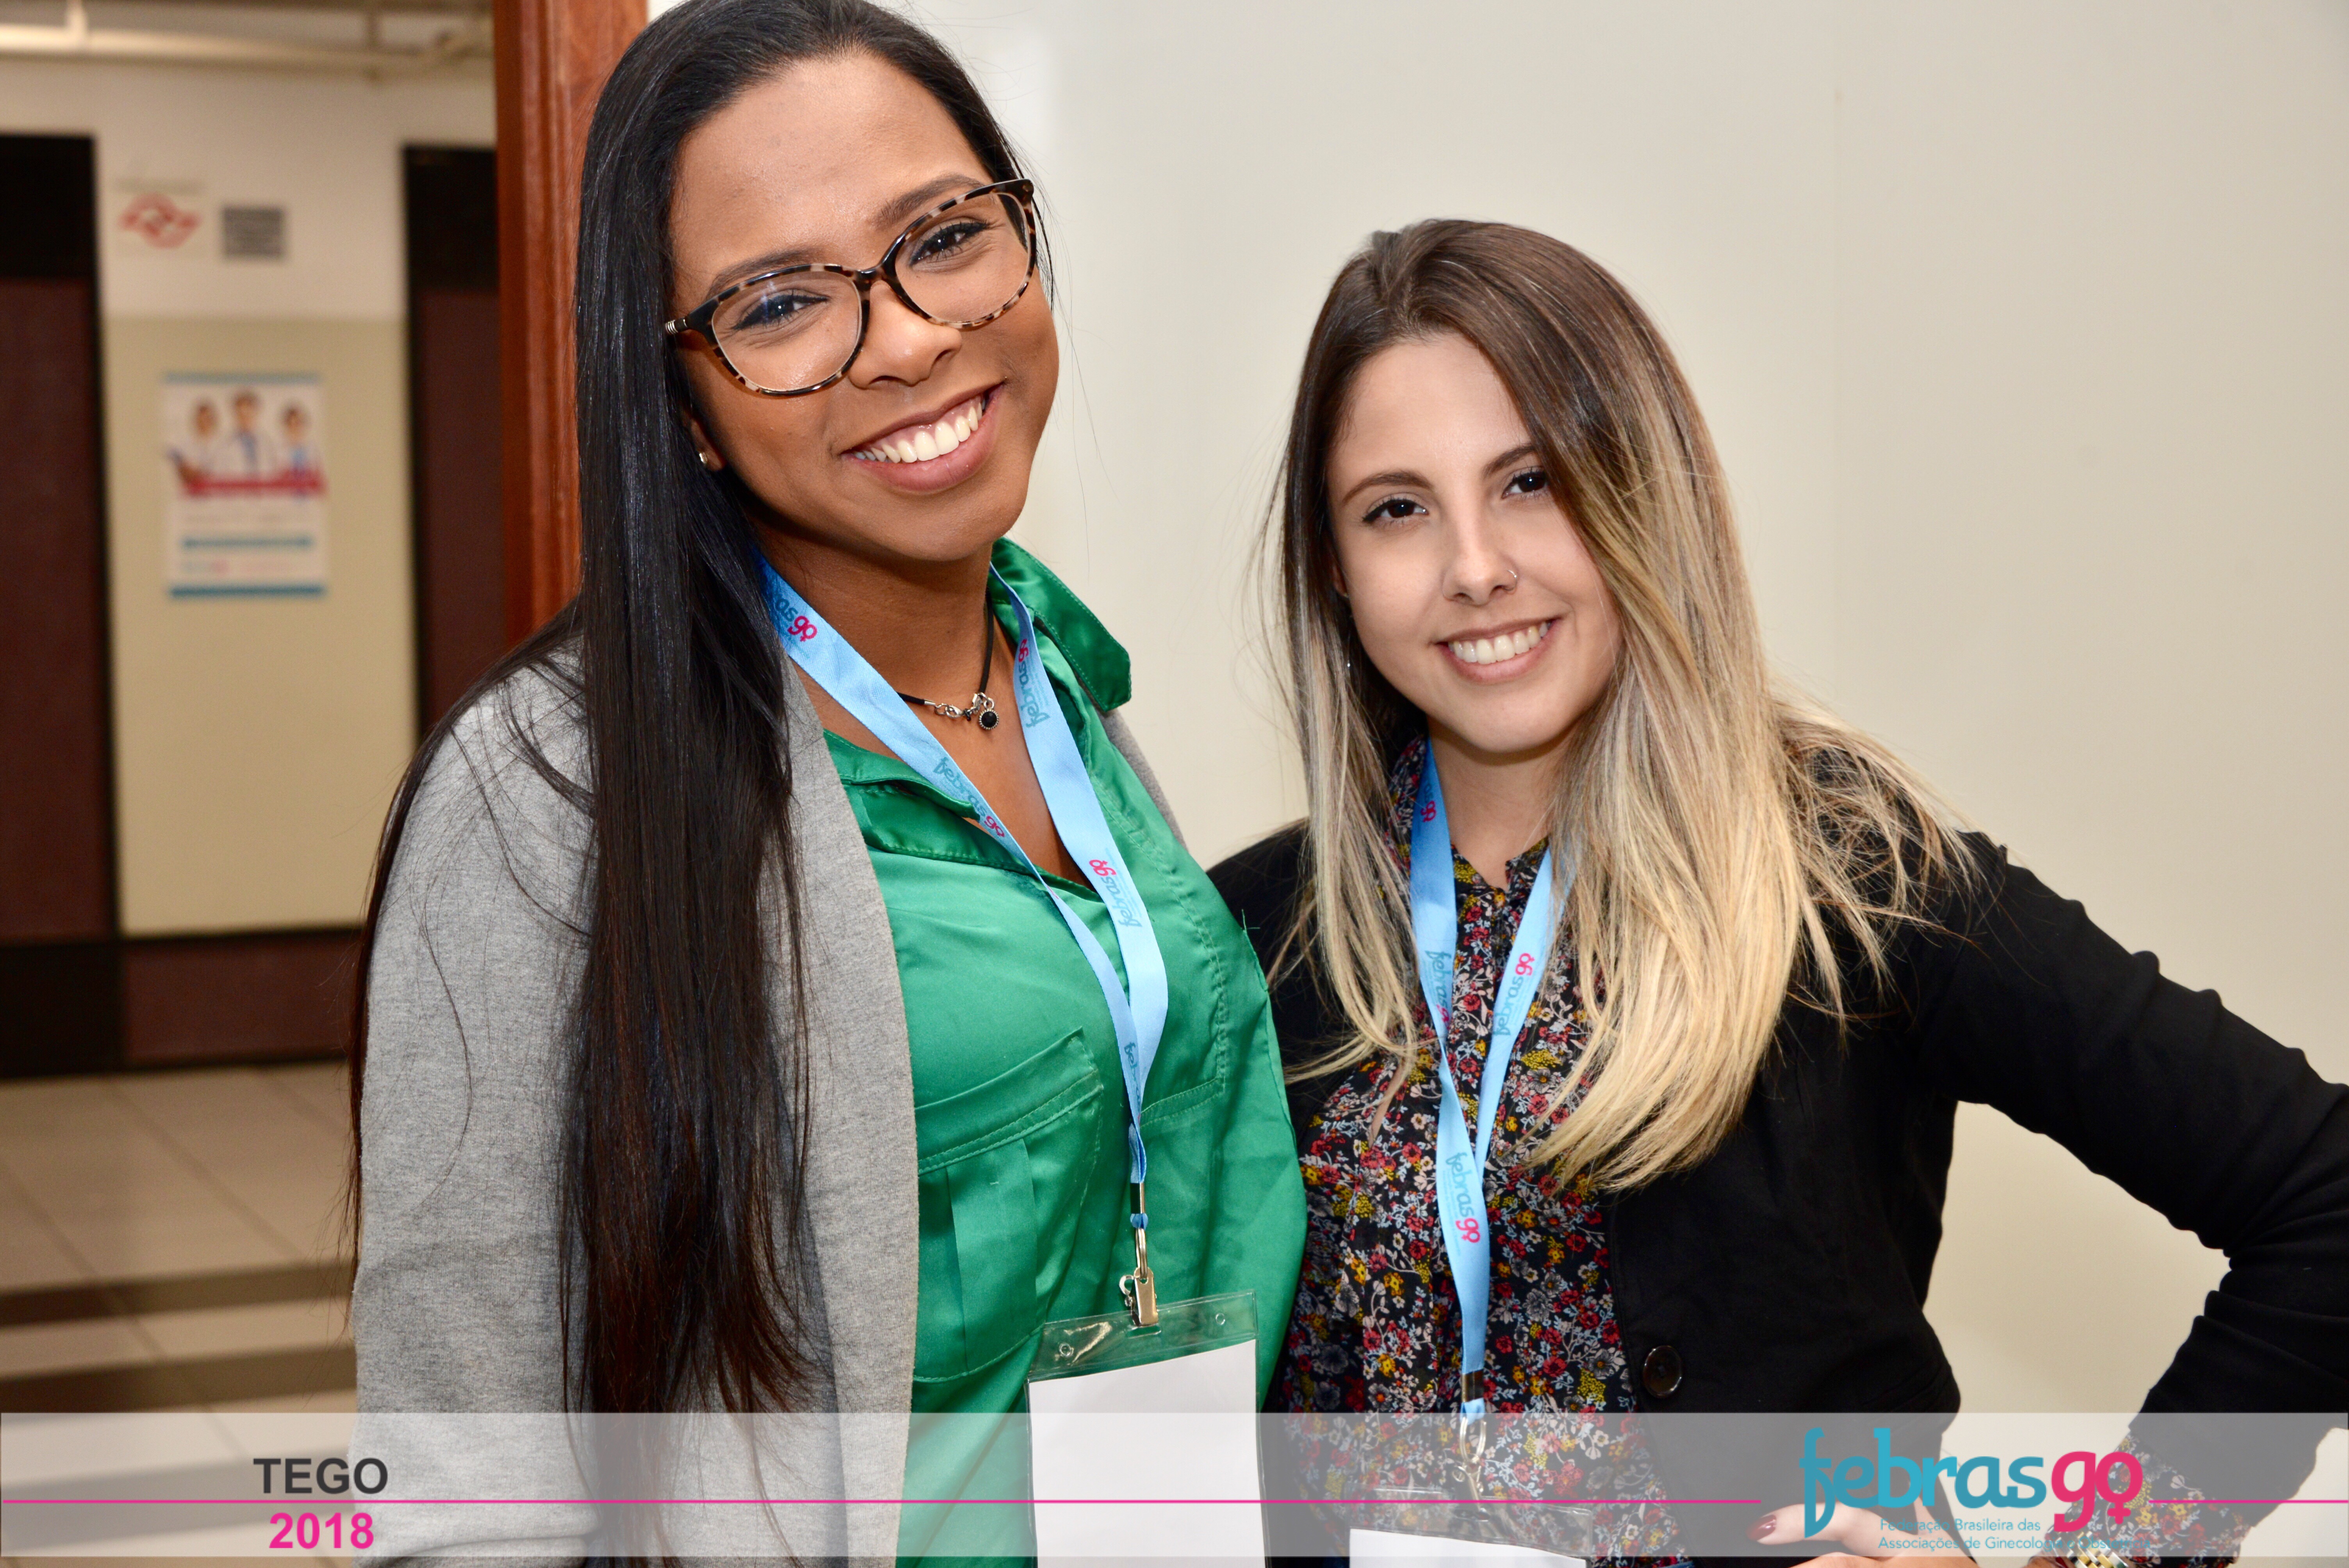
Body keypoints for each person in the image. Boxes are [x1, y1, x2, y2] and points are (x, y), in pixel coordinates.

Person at [1208, 220, 2349, 1566]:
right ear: (1334, 566)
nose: (1474, 565)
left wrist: (2102, 1561)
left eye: (1530, 481)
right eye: (1397, 508)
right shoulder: (1244, 938)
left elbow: (2323, 1194)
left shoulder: (1849, 879)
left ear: (1644, 494)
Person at [348, 0, 1304, 1559]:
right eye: (783, 302)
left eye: (945, 237)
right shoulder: (546, 791)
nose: (911, 337)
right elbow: (460, 1467)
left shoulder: (1056, 679)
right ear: (683, 400)